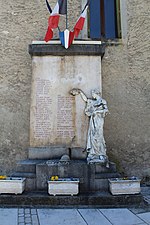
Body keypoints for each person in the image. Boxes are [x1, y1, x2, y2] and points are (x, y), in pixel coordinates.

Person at [70, 88, 109, 165]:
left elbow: (106, 110)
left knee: (98, 136)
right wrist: (80, 92)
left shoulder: (102, 101)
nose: (92, 95)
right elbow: (86, 100)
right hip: (93, 120)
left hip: (99, 120)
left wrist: (97, 111)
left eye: (93, 94)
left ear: (96, 93)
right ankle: (94, 153)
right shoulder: (93, 102)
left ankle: (101, 153)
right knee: (92, 136)